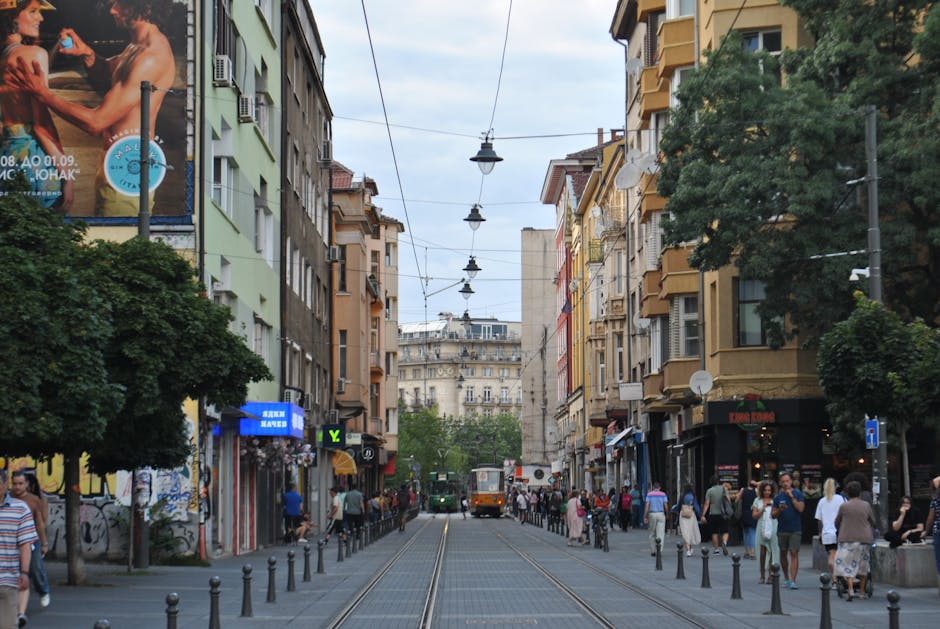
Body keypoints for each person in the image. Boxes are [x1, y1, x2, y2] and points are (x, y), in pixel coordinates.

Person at [7, 0, 176, 216]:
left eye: (120, 4)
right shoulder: (136, 47)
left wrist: (44, 94)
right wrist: (87, 54)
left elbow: (96, 122)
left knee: (117, 244)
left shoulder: (151, 57)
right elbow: (111, 76)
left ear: (145, 7)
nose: (112, 10)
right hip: (117, 164)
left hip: (128, 171)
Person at [0, 0, 73, 211]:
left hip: (5, 160)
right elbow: (41, 123)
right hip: (33, 161)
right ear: (12, 15)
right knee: (47, 235)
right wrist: (67, 175)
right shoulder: (32, 54)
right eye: (32, 11)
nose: (40, 18)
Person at [0, 469, 37, 629]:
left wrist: (24, 572)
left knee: (8, 625)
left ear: (4, 485)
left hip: (7, 580)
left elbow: (25, 544)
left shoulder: (20, 508)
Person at [10, 472, 48, 620]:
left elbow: (40, 523)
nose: (17, 487)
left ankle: (43, 590)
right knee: (16, 572)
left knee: (35, 568)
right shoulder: (8, 499)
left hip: (33, 540)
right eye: (15, 484)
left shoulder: (33, 500)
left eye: (20, 483)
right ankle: (18, 609)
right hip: (13, 541)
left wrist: (44, 542)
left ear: (26, 484)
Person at [834, 480, 876, 601]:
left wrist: (840, 527)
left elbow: (837, 521)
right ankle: (862, 591)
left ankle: (851, 589)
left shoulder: (844, 506)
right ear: (860, 493)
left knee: (847, 565)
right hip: (864, 538)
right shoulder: (866, 505)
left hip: (847, 538)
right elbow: (872, 521)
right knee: (863, 565)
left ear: (847, 493)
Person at [772, 472, 805, 589]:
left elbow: (800, 509)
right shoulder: (777, 497)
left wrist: (792, 497)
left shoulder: (798, 494)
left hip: (795, 529)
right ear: (780, 483)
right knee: (783, 553)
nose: (785, 484)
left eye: (787, 481)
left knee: (794, 552)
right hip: (782, 529)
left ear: (791, 482)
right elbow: (773, 515)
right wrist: (780, 510)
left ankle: (793, 580)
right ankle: (786, 577)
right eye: (783, 482)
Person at [814, 477, 845, 575]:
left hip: (827, 533)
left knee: (831, 554)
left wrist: (820, 533)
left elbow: (819, 520)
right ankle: (838, 575)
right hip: (839, 532)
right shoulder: (840, 498)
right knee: (837, 555)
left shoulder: (822, 501)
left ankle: (834, 579)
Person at [752, 480, 778, 585]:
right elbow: (754, 516)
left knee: (772, 551)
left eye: (769, 490)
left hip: (773, 526)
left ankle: (771, 575)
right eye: (765, 490)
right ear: (761, 491)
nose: (767, 492)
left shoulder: (775, 500)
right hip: (761, 527)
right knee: (762, 552)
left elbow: (778, 513)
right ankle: (762, 574)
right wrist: (762, 510)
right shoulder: (757, 500)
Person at [701, 474, 730, 556]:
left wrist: (703, 515)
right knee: (725, 531)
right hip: (723, 513)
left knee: (714, 532)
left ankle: (716, 549)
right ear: (718, 481)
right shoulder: (724, 489)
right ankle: (724, 542)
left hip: (713, 513)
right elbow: (728, 500)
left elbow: (707, 504)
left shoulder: (709, 491)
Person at [923, 476, 940, 592]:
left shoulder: (936, 500)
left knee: (939, 559)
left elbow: (930, 518)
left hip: (938, 530)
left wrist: (926, 530)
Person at [643, 481, 669, 556]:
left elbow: (647, 505)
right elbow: (666, 505)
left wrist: (645, 516)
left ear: (653, 487)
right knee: (660, 533)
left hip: (652, 514)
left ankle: (653, 550)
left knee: (652, 533)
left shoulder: (649, 495)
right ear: (659, 487)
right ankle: (659, 550)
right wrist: (667, 514)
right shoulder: (663, 494)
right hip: (661, 514)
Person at [678, 483, 701, 557]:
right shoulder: (693, 496)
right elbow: (696, 506)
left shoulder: (682, 496)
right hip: (691, 514)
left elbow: (678, 506)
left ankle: (688, 550)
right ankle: (690, 548)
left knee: (685, 532)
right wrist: (700, 515)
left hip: (683, 514)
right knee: (690, 531)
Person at [737, 480, 759, 559]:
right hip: (752, 512)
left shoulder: (743, 490)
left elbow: (737, 500)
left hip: (744, 513)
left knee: (745, 533)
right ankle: (752, 553)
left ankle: (747, 551)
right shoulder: (756, 491)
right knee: (752, 533)